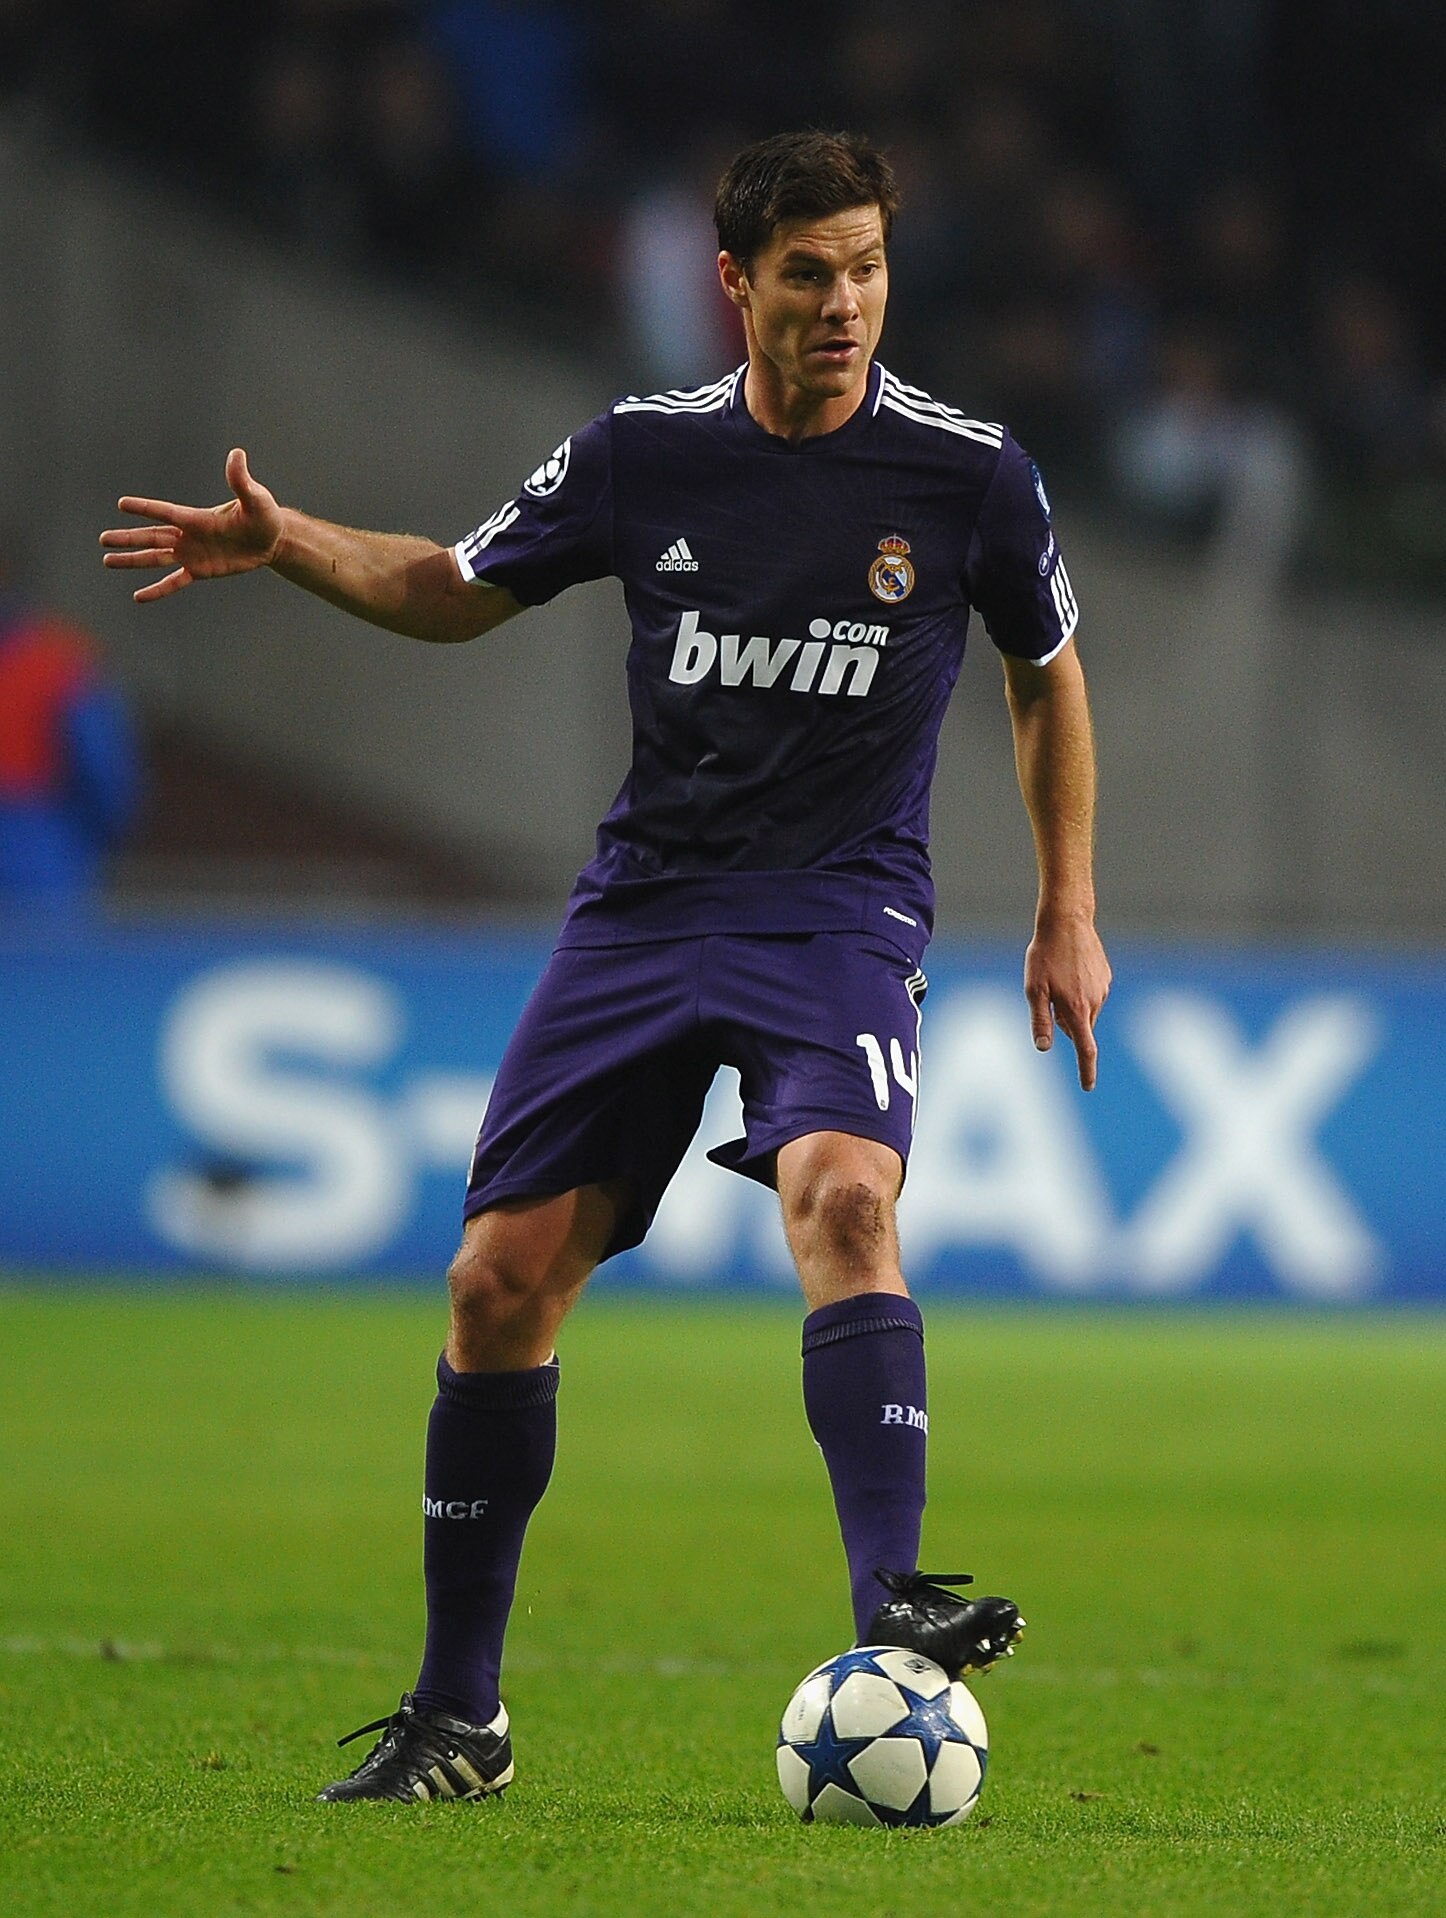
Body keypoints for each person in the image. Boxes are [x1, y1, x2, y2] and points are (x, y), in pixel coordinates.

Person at [101, 129, 1111, 1804]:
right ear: (736, 284)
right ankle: (460, 1716)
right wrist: (288, 544)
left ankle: (889, 1597)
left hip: (835, 913)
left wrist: (1068, 900)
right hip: (643, 913)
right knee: (497, 1285)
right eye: (807, 272)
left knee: (850, 1198)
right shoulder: (643, 457)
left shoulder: (969, 474)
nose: (844, 302)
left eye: (866, 267)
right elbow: (452, 588)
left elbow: (1045, 669)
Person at [0, 585, 139, 912]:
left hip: (39, 838)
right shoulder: (60, 658)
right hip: (42, 847)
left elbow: (106, 777)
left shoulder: (58, 662)